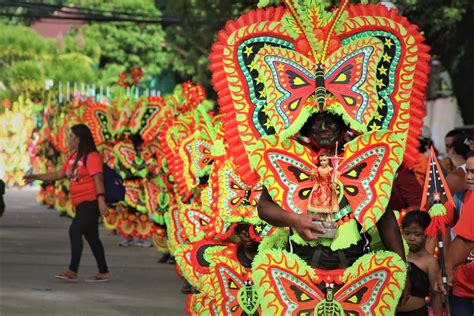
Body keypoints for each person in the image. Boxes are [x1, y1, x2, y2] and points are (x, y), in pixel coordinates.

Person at [258, 112, 410, 303]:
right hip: (301, 274)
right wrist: (295, 220)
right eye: (316, 122)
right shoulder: (291, 157)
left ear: (344, 124)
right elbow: (263, 207)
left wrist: (402, 271)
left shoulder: (364, 158)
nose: (323, 128)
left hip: (356, 275)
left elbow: (385, 218)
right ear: (304, 125)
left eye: (331, 122)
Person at [24, 124, 111, 282]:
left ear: (79, 139)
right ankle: (103, 271)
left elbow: (98, 180)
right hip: (80, 204)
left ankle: (72, 270)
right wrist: (36, 177)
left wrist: (101, 202)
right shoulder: (73, 157)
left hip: (90, 202)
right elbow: (58, 174)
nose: (68, 139)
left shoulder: (92, 157)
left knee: (75, 231)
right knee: (92, 237)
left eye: (71, 137)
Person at [444, 150, 474, 315]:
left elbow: (465, 241)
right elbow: (437, 222)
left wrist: (447, 268)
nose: (469, 177)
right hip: (462, 288)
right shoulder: (461, 197)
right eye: (468, 171)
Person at [397, 211, 443, 316]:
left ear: (427, 234)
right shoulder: (396, 257)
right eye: (407, 233)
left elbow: (436, 296)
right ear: (402, 232)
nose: (411, 238)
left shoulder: (430, 262)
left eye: (417, 234)